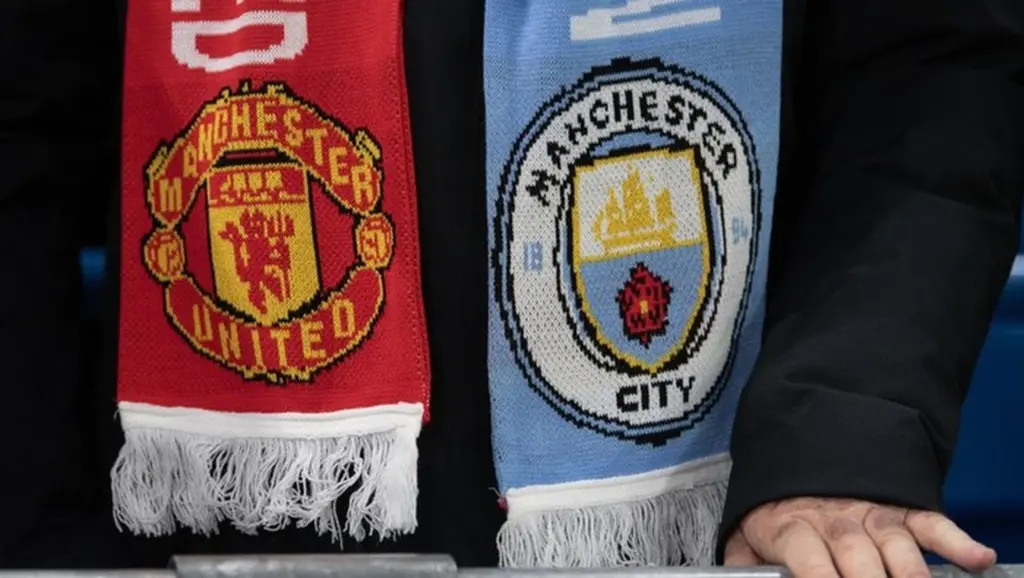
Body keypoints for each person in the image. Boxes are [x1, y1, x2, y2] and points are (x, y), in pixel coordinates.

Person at [0, 0, 1020, 576]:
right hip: (220, 508)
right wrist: (35, 537)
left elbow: (925, 69)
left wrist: (841, 431)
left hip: (714, 517)